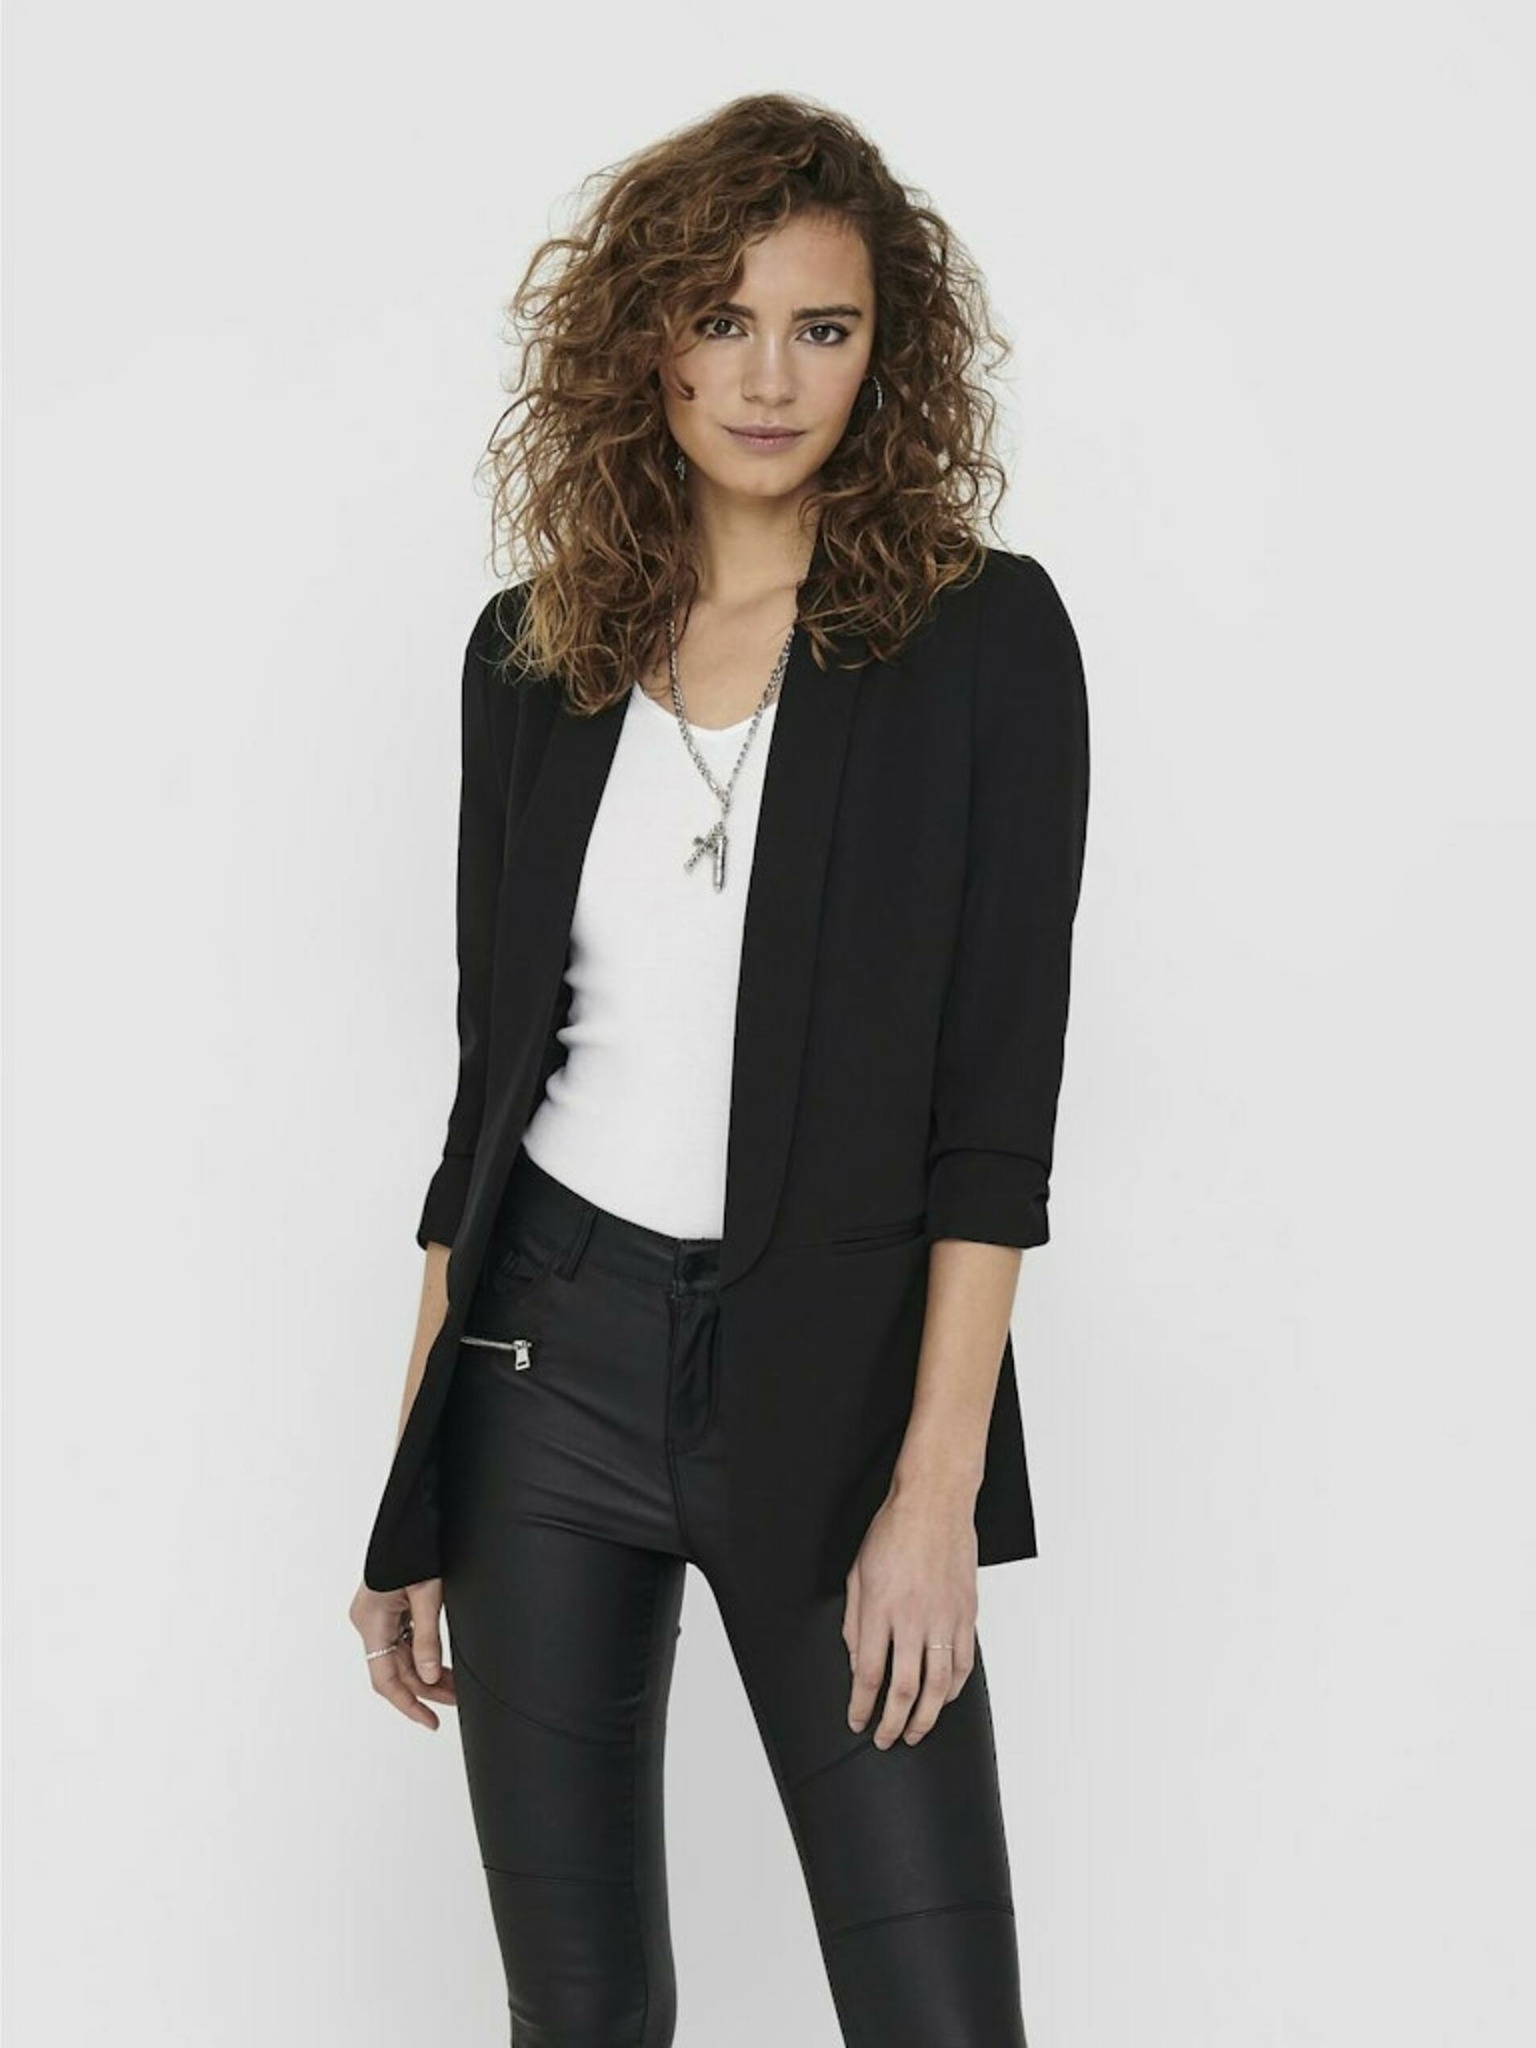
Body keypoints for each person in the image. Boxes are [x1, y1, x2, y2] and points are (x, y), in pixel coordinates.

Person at [349, 91, 1090, 2047]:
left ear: (884, 355)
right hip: (542, 1372)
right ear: (647, 343)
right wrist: (415, 1470)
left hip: (834, 1402)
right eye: (722, 319)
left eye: (821, 328)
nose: (769, 378)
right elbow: (489, 1099)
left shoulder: (982, 643)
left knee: (940, 2011)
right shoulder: (534, 652)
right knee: (582, 2015)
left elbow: (993, 1120)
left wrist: (934, 1496)